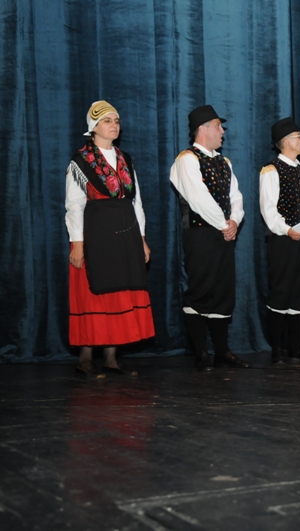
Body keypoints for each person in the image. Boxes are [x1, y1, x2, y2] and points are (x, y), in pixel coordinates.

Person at [65, 100, 155, 377]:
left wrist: (142, 239)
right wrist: (77, 244)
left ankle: (111, 358)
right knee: (93, 294)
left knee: (119, 292)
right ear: (93, 127)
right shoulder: (81, 162)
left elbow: (136, 202)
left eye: (116, 121)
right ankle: (85, 358)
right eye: (107, 121)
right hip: (95, 235)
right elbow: (74, 205)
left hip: (125, 232)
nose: (114, 125)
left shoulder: (125, 158)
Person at [169, 105, 248, 370]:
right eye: (217, 126)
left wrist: (235, 220)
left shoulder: (224, 162)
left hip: (224, 233)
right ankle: (200, 352)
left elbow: (236, 196)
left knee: (222, 290)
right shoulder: (187, 159)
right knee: (201, 289)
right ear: (202, 129)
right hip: (201, 234)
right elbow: (198, 198)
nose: (222, 131)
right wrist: (225, 224)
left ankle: (222, 351)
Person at [259, 117, 300, 363]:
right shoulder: (271, 170)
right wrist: (287, 230)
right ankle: (277, 347)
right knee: (282, 289)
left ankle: (297, 346)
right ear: (285, 141)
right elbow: (269, 210)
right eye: (299, 136)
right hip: (282, 240)